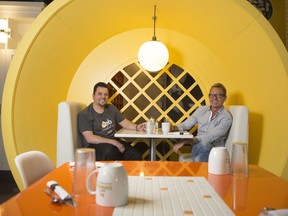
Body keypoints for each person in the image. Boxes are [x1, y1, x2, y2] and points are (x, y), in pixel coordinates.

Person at [78, 82, 145, 161]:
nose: (103, 97)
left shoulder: (111, 109)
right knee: (112, 152)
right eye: (100, 94)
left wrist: (137, 127)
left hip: (112, 142)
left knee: (135, 154)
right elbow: (90, 138)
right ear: (93, 96)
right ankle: (116, 173)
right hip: (94, 146)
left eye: (106, 94)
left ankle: (127, 173)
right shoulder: (84, 114)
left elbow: (125, 123)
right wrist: (114, 142)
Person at [172, 83, 232, 162]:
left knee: (205, 144)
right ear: (209, 97)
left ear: (225, 98)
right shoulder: (201, 110)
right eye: (212, 95)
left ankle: (198, 170)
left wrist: (186, 141)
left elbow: (210, 137)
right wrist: (174, 127)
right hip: (198, 147)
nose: (215, 98)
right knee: (203, 145)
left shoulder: (226, 117)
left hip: (215, 152)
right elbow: (186, 124)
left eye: (219, 95)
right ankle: (201, 171)